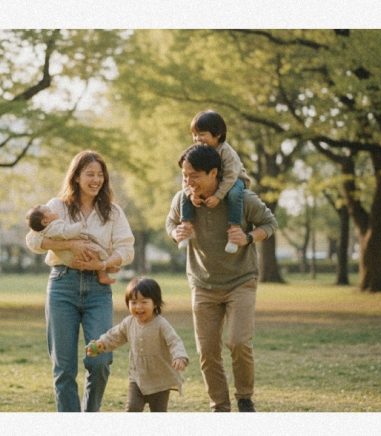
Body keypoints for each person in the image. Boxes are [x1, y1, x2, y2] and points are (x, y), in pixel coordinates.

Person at [166, 144, 277, 412]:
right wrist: (176, 232)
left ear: (214, 173)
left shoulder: (242, 199)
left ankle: (245, 398)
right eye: (184, 176)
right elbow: (170, 223)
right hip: (203, 284)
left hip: (240, 280)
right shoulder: (182, 200)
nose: (188, 183)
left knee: (238, 342)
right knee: (207, 352)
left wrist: (249, 237)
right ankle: (220, 406)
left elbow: (270, 224)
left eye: (194, 176)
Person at [25, 150, 135, 412]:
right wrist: (71, 244)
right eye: (89, 174)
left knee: (100, 361)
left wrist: (103, 264)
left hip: (99, 290)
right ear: (76, 177)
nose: (96, 180)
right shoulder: (57, 207)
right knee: (63, 368)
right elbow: (32, 240)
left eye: (100, 175)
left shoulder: (113, 212)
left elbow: (127, 250)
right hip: (63, 285)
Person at [86, 277, 188, 412]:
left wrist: (179, 356)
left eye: (144, 302)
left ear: (155, 303)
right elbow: (114, 336)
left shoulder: (161, 324)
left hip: (160, 380)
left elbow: (174, 341)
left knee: (158, 412)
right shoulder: (128, 323)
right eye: (133, 302)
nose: (138, 307)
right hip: (137, 378)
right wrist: (101, 344)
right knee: (132, 408)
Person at [177, 110, 252, 254]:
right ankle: (185, 228)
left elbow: (230, 175)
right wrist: (190, 194)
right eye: (194, 135)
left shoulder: (226, 151)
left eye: (202, 134)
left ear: (217, 134)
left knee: (234, 194)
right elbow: (186, 174)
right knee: (184, 194)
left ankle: (234, 229)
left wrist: (218, 195)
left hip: (235, 180)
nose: (197, 138)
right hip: (214, 182)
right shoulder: (196, 151)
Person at [26, 204, 116, 285]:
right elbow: (67, 232)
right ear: (45, 221)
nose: (53, 211)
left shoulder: (47, 229)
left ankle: (105, 268)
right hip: (68, 265)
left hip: (71, 259)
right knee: (97, 251)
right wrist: (80, 225)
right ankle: (104, 272)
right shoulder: (53, 227)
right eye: (50, 211)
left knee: (95, 254)